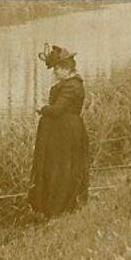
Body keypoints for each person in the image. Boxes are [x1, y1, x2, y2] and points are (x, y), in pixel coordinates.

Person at [28, 45, 90, 218]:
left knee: (63, 168)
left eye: (56, 69)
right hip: (63, 132)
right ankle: (55, 205)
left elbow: (58, 109)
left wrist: (42, 109)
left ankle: (60, 206)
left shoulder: (72, 86)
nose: (54, 72)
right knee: (60, 167)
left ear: (66, 68)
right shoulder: (69, 84)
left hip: (67, 133)